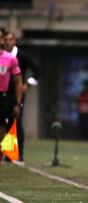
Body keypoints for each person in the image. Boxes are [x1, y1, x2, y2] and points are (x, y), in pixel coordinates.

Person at [3, 31, 41, 162]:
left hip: (16, 94)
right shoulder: (3, 56)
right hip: (4, 94)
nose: (8, 42)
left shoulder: (21, 56)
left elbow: (37, 71)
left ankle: (19, 153)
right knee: (6, 123)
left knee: (16, 122)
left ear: (14, 41)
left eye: (10, 39)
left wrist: (27, 84)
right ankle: (8, 154)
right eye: (5, 39)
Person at [0, 30, 23, 163]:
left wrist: (18, 103)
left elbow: (18, 81)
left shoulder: (10, 59)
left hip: (2, 97)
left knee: (2, 130)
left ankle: (8, 155)